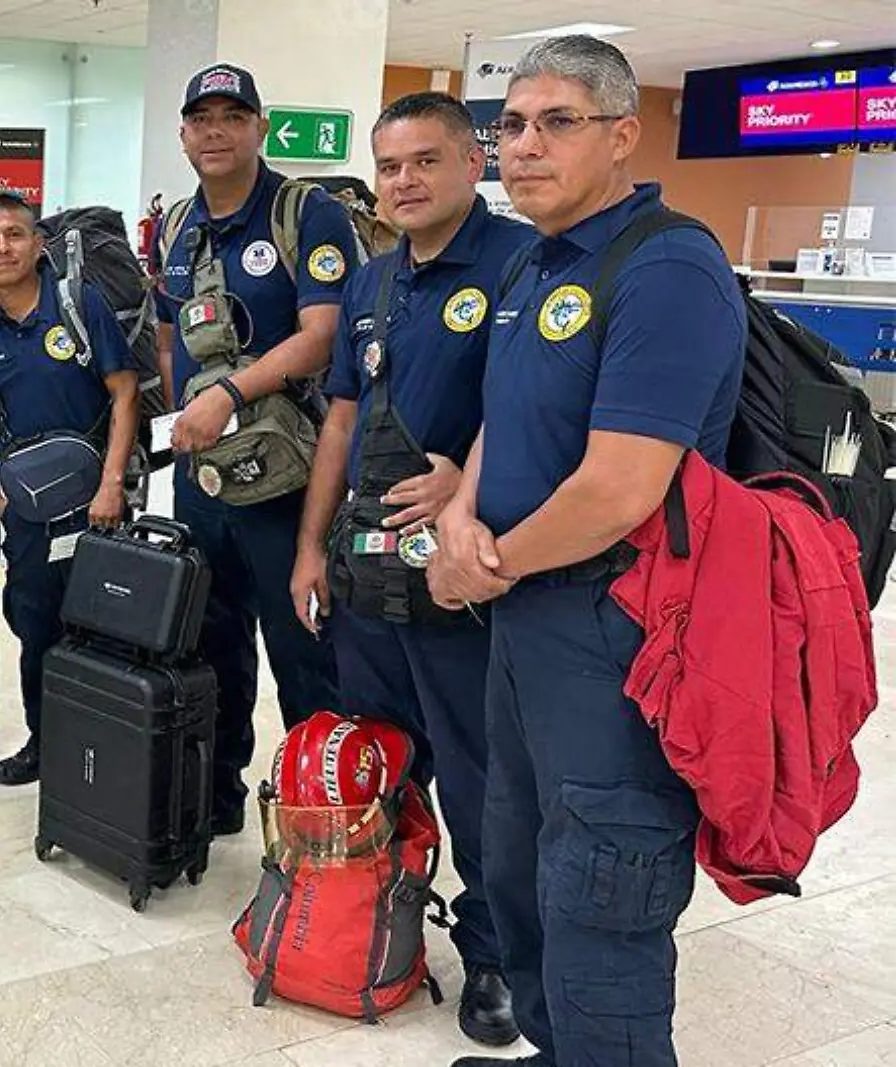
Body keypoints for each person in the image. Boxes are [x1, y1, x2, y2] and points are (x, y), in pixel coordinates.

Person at [426, 36, 745, 1067]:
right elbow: (497, 419)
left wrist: (487, 559)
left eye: (555, 122)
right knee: (518, 862)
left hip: (618, 630)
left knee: (603, 884)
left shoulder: (666, 265)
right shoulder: (533, 255)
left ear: (620, 134)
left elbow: (619, 487)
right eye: (510, 125)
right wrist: (461, 516)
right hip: (524, 623)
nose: (523, 146)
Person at [290, 91, 532, 1050]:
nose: (405, 181)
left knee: (480, 783)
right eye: (390, 166)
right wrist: (312, 546)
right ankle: (384, 922)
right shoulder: (373, 281)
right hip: (367, 580)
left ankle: (493, 955)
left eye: (426, 161)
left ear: (475, 162)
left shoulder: (520, 263)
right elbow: (341, 422)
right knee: (382, 763)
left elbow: (537, 409)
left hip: (463, 586)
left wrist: (465, 486)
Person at [153, 63, 355, 835]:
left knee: (302, 648)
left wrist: (228, 396)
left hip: (289, 477)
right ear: (183, 133)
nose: (214, 130)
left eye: (232, 116)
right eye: (200, 117)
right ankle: (219, 794)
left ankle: (321, 817)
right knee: (211, 640)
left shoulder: (306, 213)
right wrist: (184, 419)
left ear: (259, 128)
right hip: (204, 476)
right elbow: (170, 338)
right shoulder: (176, 225)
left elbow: (325, 333)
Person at [0, 189, 140, 785]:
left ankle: (107, 753)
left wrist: (112, 486)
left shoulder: (77, 303)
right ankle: (46, 742)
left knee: (104, 626)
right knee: (36, 630)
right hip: (28, 514)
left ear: (39, 245)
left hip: (96, 507)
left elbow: (124, 393)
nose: (2, 247)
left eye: (14, 234)